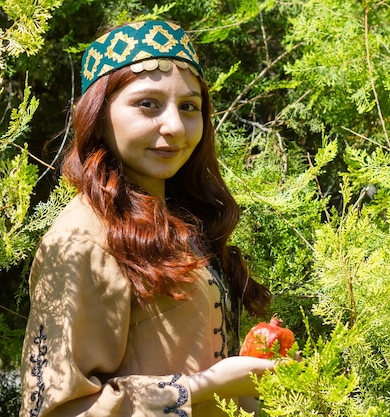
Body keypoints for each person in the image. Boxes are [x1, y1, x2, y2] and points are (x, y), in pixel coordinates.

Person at [19, 20, 275, 417]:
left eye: (189, 107)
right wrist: (201, 388)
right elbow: (56, 410)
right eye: (148, 104)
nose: (174, 126)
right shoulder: (83, 238)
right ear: (98, 117)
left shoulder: (179, 219)